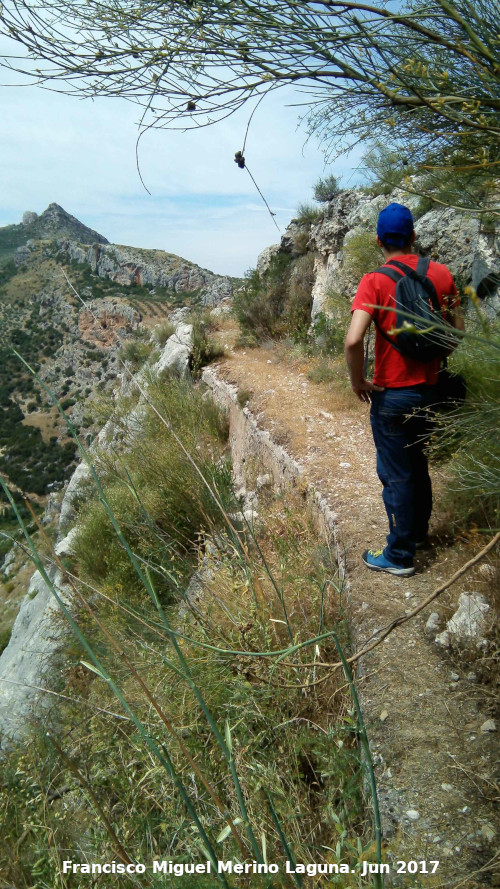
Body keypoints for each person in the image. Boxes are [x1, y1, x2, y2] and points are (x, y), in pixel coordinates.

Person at [345, 202, 464, 576]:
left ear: (379, 240)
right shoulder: (441, 274)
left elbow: (353, 341)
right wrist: (432, 358)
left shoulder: (374, 281)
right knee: (418, 466)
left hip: (391, 396)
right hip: (429, 392)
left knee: (397, 474)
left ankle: (399, 556)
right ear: (413, 236)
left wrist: (358, 381)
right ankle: (418, 534)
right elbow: (458, 330)